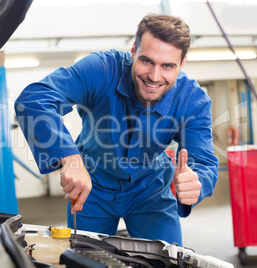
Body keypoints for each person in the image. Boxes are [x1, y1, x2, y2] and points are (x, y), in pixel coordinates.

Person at [15, 13, 218, 246]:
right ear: (133, 51)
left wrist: (197, 181)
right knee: (84, 258)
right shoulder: (101, 69)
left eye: (168, 66)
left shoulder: (193, 100)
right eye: (147, 61)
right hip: (92, 187)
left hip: (150, 192)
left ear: (182, 65)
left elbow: (203, 162)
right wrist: (70, 159)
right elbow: (34, 99)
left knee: (167, 260)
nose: (154, 76)